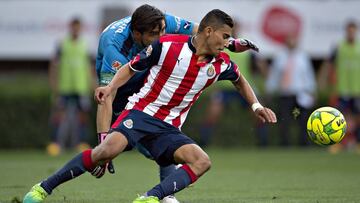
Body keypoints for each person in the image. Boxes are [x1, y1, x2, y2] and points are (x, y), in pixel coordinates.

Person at [23, 9, 276, 203]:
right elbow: (130, 67)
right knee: (105, 152)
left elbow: (240, 80)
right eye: (225, 37)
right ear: (210, 33)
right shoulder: (166, 46)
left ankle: (151, 198)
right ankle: (43, 187)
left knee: (202, 161)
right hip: (141, 113)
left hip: (168, 128)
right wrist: (109, 88)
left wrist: (256, 107)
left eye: (229, 39)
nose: (227, 43)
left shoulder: (221, 64)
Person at [93, 5, 259, 202]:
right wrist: (102, 145)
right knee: (138, 144)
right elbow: (107, 97)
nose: (161, 38)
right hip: (124, 84)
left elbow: (204, 31)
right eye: (155, 34)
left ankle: (167, 192)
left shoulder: (164, 21)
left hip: (148, 74)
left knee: (163, 129)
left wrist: (230, 43)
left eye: (163, 31)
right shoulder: (115, 49)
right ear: (137, 34)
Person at [199, 20, 269, 147]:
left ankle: (263, 143)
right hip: (225, 87)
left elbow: (261, 65)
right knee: (213, 113)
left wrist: (263, 81)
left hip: (242, 86)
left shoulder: (246, 46)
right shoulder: (219, 45)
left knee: (258, 112)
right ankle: (203, 143)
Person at [47, 17, 94, 156]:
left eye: (78, 27)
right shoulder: (62, 43)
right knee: (59, 114)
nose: (75, 29)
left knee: (82, 116)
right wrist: (53, 83)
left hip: (81, 87)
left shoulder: (85, 44)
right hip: (65, 86)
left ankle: (82, 143)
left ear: (80, 28)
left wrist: (92, 84)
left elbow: (89, 67)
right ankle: (55, 144)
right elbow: (54, 64)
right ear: (70, 27)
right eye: (73, 27)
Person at [266, 33, 316, 146]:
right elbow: (274, 75)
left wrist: (312, 91)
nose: (291, 42)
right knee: (285, 120)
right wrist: (269, 90)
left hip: (299, 95)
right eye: (289, 40)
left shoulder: (303, 57)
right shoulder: (280, 57)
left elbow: (308, 75)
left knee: (301, 119)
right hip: (285, 95)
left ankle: (303, 143)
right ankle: (285, 143)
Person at [320, 20, 360, 153]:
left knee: (357, 117)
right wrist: (323, 80)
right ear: (346, 31)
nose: (351, 33)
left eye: (353, 31)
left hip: (357, 89)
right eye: (349, 31)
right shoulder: (338, 47)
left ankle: (358, 143)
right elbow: (329, 64)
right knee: (338, 118)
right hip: (342, 89)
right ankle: (338, 144)